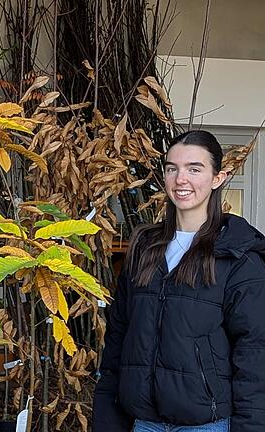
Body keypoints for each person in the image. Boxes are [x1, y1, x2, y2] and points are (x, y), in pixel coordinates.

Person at [93, 130, 265, 432]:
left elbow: (254, 356)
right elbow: (118, 340)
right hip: (144, 422)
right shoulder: (145, 248)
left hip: (206, 424)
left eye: (194, 169)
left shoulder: (238, 258)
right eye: (172, 168)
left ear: (218, 178)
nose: (180, 179)